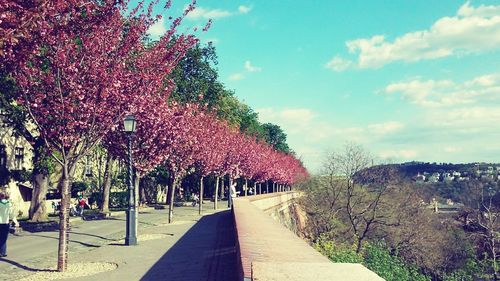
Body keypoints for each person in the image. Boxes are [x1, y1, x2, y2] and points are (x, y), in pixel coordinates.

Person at [0, 192, 14, 257]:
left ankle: (1, 252)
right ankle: (3, 252)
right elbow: (12, 214)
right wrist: (15, 222)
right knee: (4, 238)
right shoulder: (9, 204)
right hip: (6, 223)